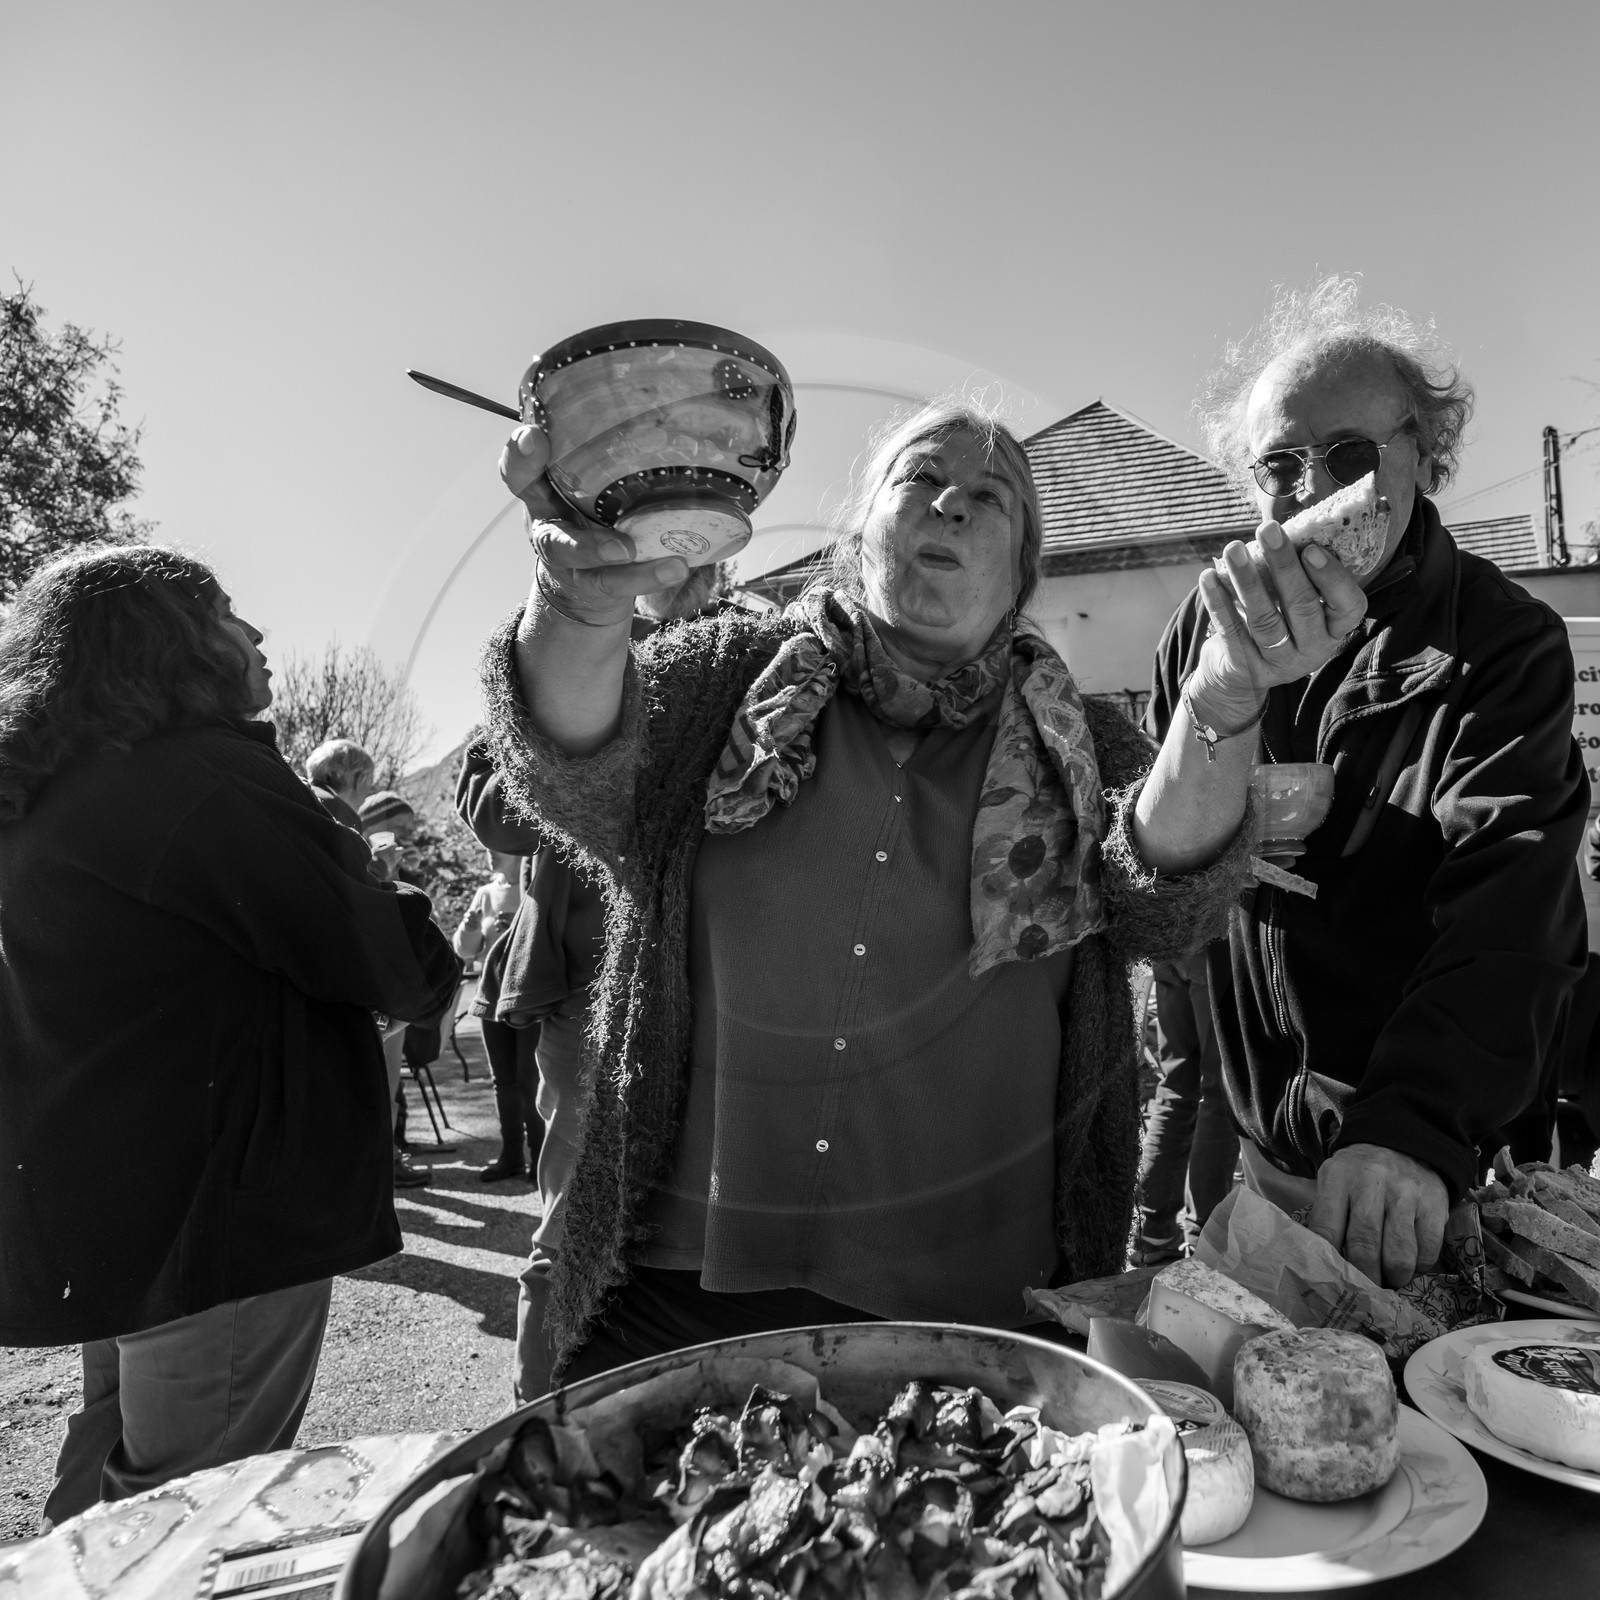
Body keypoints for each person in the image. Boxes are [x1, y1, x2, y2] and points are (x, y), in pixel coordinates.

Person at [476, 389, 1365, 1384]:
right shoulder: (726, 677)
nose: (950, 506)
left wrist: (1222, 699)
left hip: (970, 1316)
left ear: (1021, 569)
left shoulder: (1084, 745)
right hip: (676, 1292)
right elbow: (571, 763)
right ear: (861, 528)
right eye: (923, 480)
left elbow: (1164, 893)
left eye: (987, 498)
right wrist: (581, 605)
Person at [0, 545, 459, 1526]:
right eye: (228, 615)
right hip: (216, 1218)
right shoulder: (203, 783)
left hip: (119, 1207)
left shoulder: (62, 790)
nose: (256, 638)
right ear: (169, 642)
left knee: (107, 1478)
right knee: (188, 1508)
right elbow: (403, 967)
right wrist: (366, 863)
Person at [1148, 275, 1589, 1288]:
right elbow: (1145, 858)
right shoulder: (1203, 629)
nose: (1314, 493)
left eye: (1349, 456)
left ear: (1425, 457)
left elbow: (1515, 897)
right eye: (1279, 466)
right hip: (1262, 1161)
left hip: (1418, 1177)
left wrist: (1415, 1122)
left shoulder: (1503, 639)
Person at [458, 578, 723, 1395]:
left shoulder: (757, 644)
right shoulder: (550, 650)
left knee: (706, 1221)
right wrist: (593, 685)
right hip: (587, 993)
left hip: (725, 983)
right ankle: (539, 1415)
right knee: (577, 1214)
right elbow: (497, 813)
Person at [1130, 948, 1239, 1264]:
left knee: (1176, 1085)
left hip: (1171, 942)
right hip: (1215, 946)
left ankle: (1155, 1231)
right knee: (1219, 1094)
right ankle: (1205, 1238)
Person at [452, 849, 541, 1183]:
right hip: (491, 999)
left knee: (529, 1080)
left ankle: (539, 1156)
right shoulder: (486, 892)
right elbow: (465, 950)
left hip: (527, 999)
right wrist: (470, 927)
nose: (488, 851)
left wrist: (512, 930)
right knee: (503, 1081)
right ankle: (511, 1156)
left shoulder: (533, 886)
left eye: (495, 845)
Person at [303, 738, 376, 829]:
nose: (369, 792)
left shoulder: (296, 790)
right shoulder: (344, 816)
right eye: (370, 782)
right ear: (360, 779)